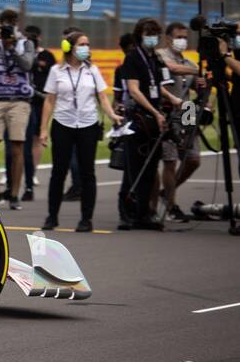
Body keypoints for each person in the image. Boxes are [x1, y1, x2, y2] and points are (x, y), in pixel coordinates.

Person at [39, 32, 122, 232]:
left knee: (87, 173)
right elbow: (49, 100)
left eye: (88, 44)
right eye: (82, 44)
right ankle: (52, 216)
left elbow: (102, 97)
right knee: (58, 172)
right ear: (69, 47)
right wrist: (43, 129)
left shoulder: (92, 70)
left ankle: (86, 219)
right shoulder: (56, 71)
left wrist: (112, 116)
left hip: (88, 124)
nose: (87, 47)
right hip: (63, 124)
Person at [119, 18, 181, 230]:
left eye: (155, 33)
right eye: (148, 33)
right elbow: (135, 90)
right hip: (138, 119)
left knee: (150, 169)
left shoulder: (153, 58)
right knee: (134, 169)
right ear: (140, 34)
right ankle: (127, 214)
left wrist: (173, 99)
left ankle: (144, 213)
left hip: (154, 121)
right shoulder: (133, 58)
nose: (152, 36)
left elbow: (156, 86)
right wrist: (155, 112)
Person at [0, 8, 36, 210]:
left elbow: (27, 65)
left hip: (19, 99)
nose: (9, 26)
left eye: (12, 22)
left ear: (17, 24)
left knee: (16, 147)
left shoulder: (26, 43)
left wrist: (12, 47)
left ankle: (14, 193)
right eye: (5, 23)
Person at [156, 22, 203, 223]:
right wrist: (195, 71)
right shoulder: (160, 56)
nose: (182, 41)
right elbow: (172, 69)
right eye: (178, 37)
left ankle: (166, 192)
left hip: (187, 109)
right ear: (168, 38)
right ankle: (172, 203)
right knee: (170, 159)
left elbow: (197, 90)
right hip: (167, 110)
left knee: (193, 159)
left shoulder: (190, 62)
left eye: (185, 37)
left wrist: (203, 87)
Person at [19, 24, 55, 202]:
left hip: (41, 101)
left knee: (37, 137)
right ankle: (17, 170)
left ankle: (32, 171)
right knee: (19, 139)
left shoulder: (47, 56)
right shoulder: (24, 54)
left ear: (40, 37)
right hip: (24, 100)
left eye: (34, 36)